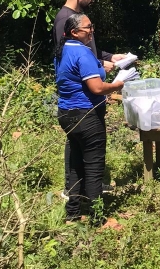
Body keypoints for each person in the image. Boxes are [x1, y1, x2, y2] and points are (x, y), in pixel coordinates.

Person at [53, 0, 127, 198]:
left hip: (79, 102)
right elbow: (70, 58)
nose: (92, 0)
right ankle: (84, 198)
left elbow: (86, 53)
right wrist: (114, 82)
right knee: (82, 150)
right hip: (82, 103)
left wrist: (109, 57)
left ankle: (78, 200)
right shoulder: (65, 20)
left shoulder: (78, 23)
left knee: (79, 147)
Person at [54, 14, 132, 223]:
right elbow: (97, 88)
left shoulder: (62, 51)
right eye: (88, 28)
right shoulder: (83, 52)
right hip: (87, 115)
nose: (92, 31)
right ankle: (97, 216)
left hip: (66, 114)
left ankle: (73, 212)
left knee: (74, 163)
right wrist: (117, 85)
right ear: (74, 32)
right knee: (94, 165)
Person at [53, 0, 127, 72]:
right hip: (79, 84)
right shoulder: (65, 18)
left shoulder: (78, 16)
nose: (92, 0)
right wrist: (100, 64)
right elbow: (67, 57)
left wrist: (110, 57)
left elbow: (87, 49)